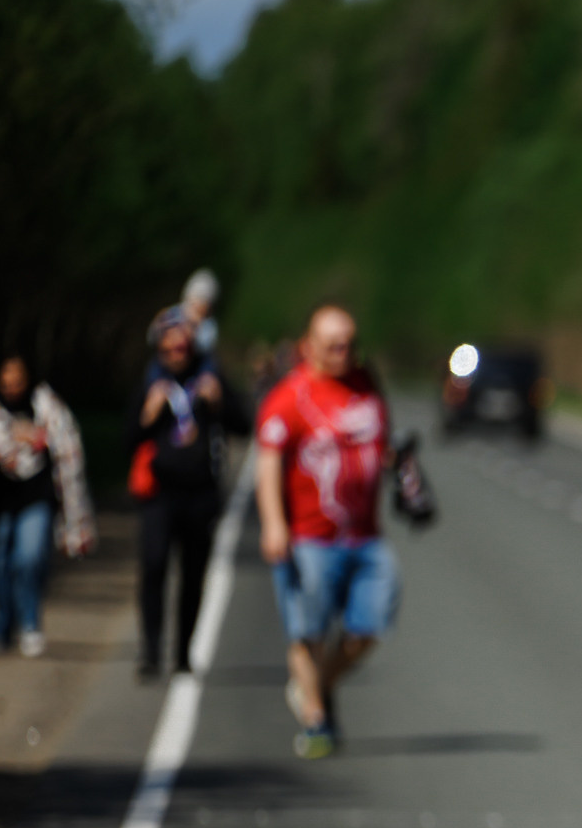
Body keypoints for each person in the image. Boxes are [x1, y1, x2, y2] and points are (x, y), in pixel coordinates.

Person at [255, 305, 399, 759]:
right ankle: (316, 721)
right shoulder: (290, 397)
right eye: (334, 346)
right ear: (309, 346)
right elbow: (268, 462)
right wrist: (275, 524)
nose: (344, 354)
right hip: (310, 536)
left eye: (350, 345)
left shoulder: (365, 385)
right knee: (307, 632)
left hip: (365, 535)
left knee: (368, 627)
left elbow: (381, 443)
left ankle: (315, 685)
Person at [135, 307, 247, 678]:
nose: (177, 353)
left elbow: (245, 425)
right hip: (159, 494)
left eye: (183, 347)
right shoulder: (152, 382)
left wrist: (220, 404)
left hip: (201, 493)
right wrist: (147, 416)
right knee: (153, 567)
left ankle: (183, 651)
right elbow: (126, 441)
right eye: (169, 348)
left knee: (193, 574)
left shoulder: (211, 376)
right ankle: (151, 651)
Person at [0, 357, 94, 656]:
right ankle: (3, 623)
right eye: (6, 384)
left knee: (29, 557)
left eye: (18, 383)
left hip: (36, 497)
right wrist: (1, 454)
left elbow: (68, 450)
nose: (12, 390)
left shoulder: (47, 406)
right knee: (1, 564)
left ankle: (30, 623)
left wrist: (41, 440)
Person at [181, 269, 221, 358]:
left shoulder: (208, 325)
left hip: (197, 362)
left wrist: (193, 331)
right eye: (194, 301)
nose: (197, 306)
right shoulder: (176, 313)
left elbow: (206, 346)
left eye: (202, 302)